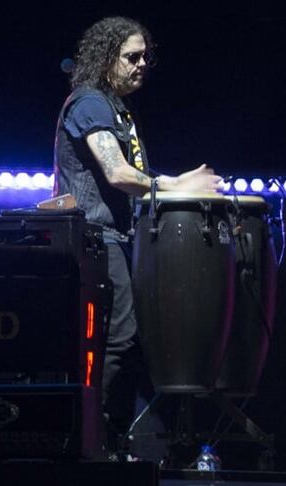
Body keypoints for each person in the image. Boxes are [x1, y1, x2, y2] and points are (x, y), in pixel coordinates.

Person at [53, 16, 224, 460]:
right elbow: (117, 173)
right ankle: (90, 442)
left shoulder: (117, 109)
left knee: (128, 342)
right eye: (132, 56)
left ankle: (110, 441)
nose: (143, 64)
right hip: (94, 240)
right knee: (117, 340)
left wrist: (175, 181)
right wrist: (176, 185)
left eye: (146, 56)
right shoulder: (90, 104)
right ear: (107, 58)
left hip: (116, 239)